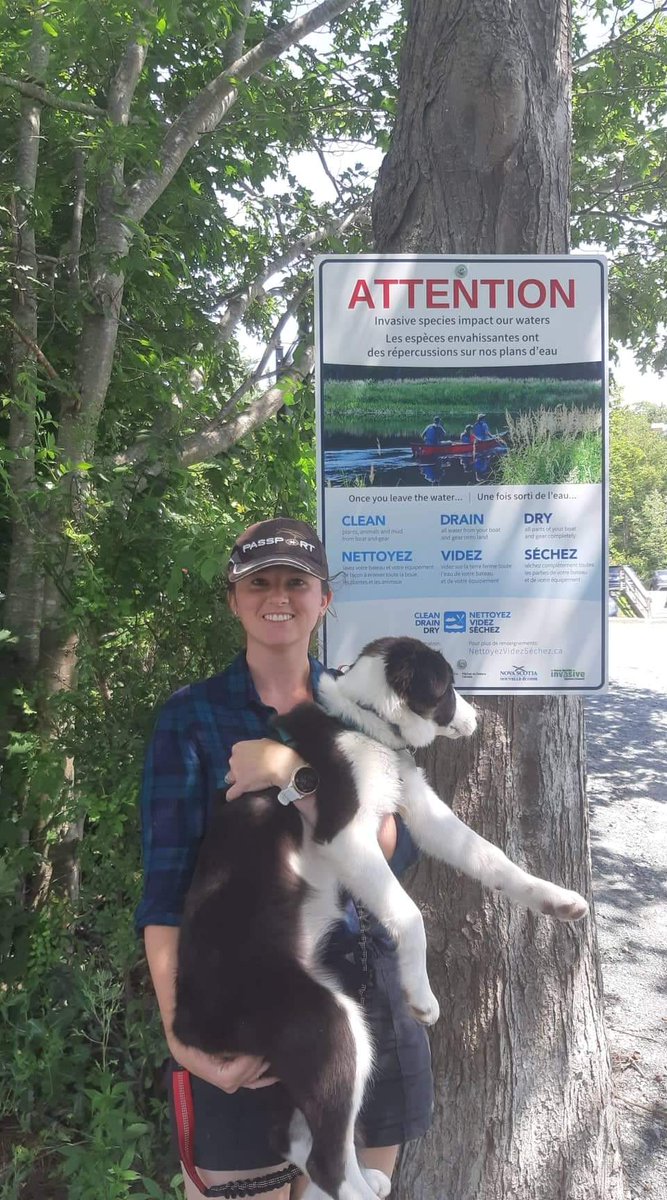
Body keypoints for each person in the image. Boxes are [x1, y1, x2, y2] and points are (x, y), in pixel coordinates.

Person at [136, 517, 433, 1200]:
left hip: (364, 1013)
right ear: (234, 598)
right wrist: (180, 1037)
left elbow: (394, 849)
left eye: (295, 583)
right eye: (259, 582)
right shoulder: (189, 718)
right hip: (243, 1017)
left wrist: (291, 772)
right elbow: (164, 890)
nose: (278, 597)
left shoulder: (361, 714)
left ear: (323, 599)